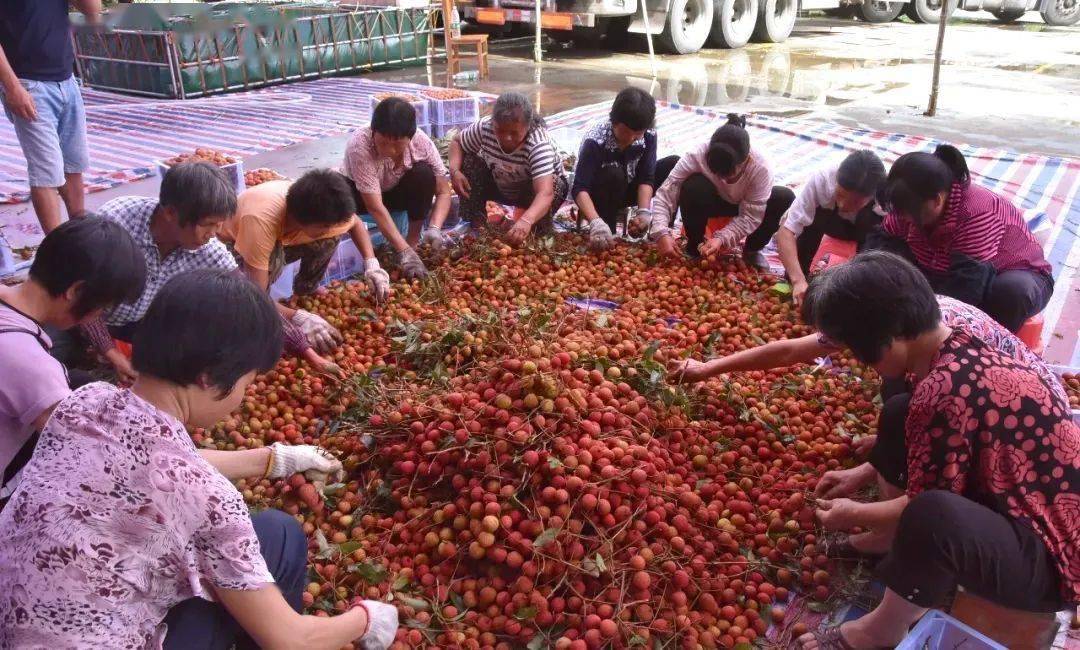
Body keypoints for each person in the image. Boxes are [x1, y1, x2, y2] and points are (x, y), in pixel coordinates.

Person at [0, 269, 399, 650]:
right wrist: (367, 617)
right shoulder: (211, 502)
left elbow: (152, 463)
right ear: (209, 377)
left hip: (13, 622)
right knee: (276, 568)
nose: (244, 395)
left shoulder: (86, 403)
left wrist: (275, 459)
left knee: (277, 532)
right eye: (248, 381)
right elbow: (292, 638)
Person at [789, 252, 1079, 650]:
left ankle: (879, 631)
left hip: (1053, 560)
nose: (861, 363)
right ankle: (886, 542)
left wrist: (852, 513)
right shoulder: (962, 344)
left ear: (887, 340)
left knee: (933, 516)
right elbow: (946, 450)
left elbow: (925, 503)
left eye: (859, 351)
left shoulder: (943, 392)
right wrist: (863, 479)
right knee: (898, 412)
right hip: (1028, 506)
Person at [0, 217, 145, 508]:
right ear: (76, 291)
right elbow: (96, 449)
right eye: (102, 307)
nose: (98, 316)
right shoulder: (31, 365)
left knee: (79, 383)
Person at [868, 144, 1053, 333]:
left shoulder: (976, 213)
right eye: (899, 212)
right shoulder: (908, 205)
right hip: (943, 268)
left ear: (938, 200)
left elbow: (967, 287)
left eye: (909, 214)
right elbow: (882, 246)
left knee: (1011, 292)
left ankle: (987, 349)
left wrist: (924, 329)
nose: (904, 219)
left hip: (1005, 274)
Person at [219, 168, 391, 363]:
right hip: (233, 247)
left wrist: (371, 263)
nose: (330, 229)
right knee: (255, 299)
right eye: (323, 226)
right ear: (301, 218)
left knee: (329, 238)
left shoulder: (320, 206)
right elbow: (256, 295)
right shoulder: (261, 220)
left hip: (280, 238)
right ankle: (261, 318)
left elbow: (355, 224)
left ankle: (306, 289)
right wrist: (299, 317)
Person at [644, 114, 795, 270]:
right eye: (718, 174)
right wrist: (661, 232)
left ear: (746, 160)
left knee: (784, 197)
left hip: (745, 205)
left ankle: (752, 250)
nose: (725, 181)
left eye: (730, 175)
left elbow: (750, 216)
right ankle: (695, 244)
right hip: (712, 200)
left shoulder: (761, 168)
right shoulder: (698, 154)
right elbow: (668, 190)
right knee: (694, 186)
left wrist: (721, 239)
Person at [0, 1, 98, 234]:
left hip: (66, 78)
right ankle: (57, 252)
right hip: (28, 83)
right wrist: (12, 87)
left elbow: (92, 10)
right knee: (47, 172)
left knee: (74, 163)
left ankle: (79, 232)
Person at [341, 96, 452, 275]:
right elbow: (375, 207)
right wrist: (403, 251)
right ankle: (399, 250)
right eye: (383, 142)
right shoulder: (360, 145)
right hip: (362, 197)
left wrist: (435, 228)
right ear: (373, 131)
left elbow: (444, 191)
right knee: (335, 191)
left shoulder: (420, 142)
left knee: (423, 174)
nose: (389, 150)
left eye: (398, 144)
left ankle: (413, 241)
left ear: (410, 138)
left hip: (395, 192)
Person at [448, 92, 568, 248]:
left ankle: (538, 229)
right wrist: (454, 171)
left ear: (527, 126)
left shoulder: (538, 145)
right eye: (500, 131)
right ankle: (478, 225)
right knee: (470, 162)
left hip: (533, 192)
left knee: (554, 184)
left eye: (514, 133)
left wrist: (527, 220)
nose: (506, 138)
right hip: (501, 183)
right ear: (493, 123)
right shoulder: (485, 128)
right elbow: (457, 142)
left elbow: (545, 193)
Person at [776, 150, 886, 305]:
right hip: (828, 222)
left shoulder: (887, 197)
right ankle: (801, 281)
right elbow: (787, 230)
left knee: (867, 274)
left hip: (864, 230)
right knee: (808, 224)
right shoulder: (823, 180)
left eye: (855, 202)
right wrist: (798, 280)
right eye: (840, 195)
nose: (843, 205)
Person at [572, 87, 658, 251]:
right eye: (627, 132)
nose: (632, 139)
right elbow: (579, 188)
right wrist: (596, 222)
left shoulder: (649, 134)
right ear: (615, 121)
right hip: (599, 193)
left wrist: (644, 212)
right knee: (614, 172)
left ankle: (659, 234)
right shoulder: (596, 140)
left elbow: (646, 177)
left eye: (637, 134)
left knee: (672, 165)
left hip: (628, 188)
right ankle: (607, 230)